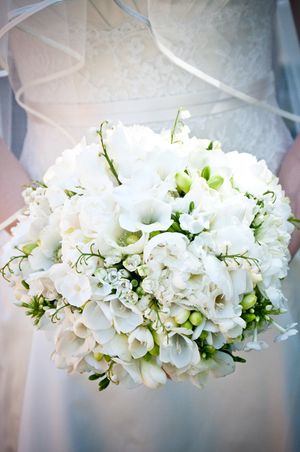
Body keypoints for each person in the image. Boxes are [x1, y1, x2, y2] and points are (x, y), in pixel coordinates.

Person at [0, 1, 300, 451]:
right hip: (49, 255)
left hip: (268, 239)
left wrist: (281, 232)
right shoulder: (41, 254)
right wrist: (32, 243)